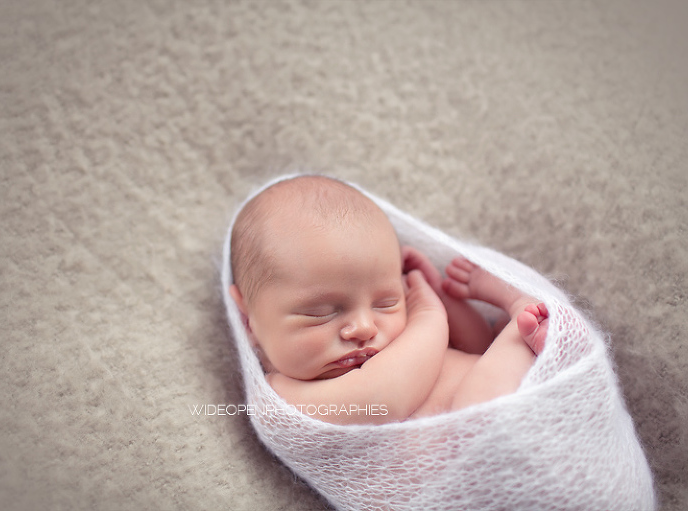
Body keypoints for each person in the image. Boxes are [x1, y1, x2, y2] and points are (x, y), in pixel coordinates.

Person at [229, 175, 549, 425]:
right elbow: (384, 399)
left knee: (498, 343)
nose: (364, 327)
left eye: (385, 303)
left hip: (527, 391)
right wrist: (428, 311)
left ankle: (519, 321)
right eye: (321, 313)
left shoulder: (408, 334)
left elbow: (478, 347)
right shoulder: (280, 400)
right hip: (486, 438)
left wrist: (439, 294)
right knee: (478, 411)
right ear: (247, 316)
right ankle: (520, 316)